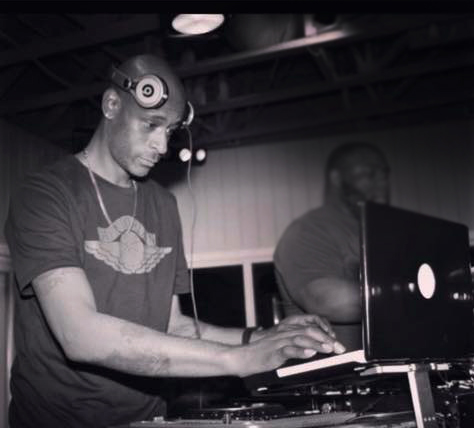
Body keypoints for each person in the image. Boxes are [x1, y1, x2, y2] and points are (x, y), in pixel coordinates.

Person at [4, 54, 345, 428]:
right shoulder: (45, 195)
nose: (162, 146)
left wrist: (263, 337)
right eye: (151, 125)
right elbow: (79, 334)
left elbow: (173, 326)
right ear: (112, 105)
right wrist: (238, 360)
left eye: (169, 131)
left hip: (148, 420)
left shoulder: (162, 204)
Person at [273, 142, 390, 350]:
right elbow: (326, 300)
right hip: (342, 367)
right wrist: (409, 295)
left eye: (384, 173)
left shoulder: (379, 231)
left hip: (394, 362)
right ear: (337, 178)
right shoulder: (309, 229)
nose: (381, 182)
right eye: (369, 173)